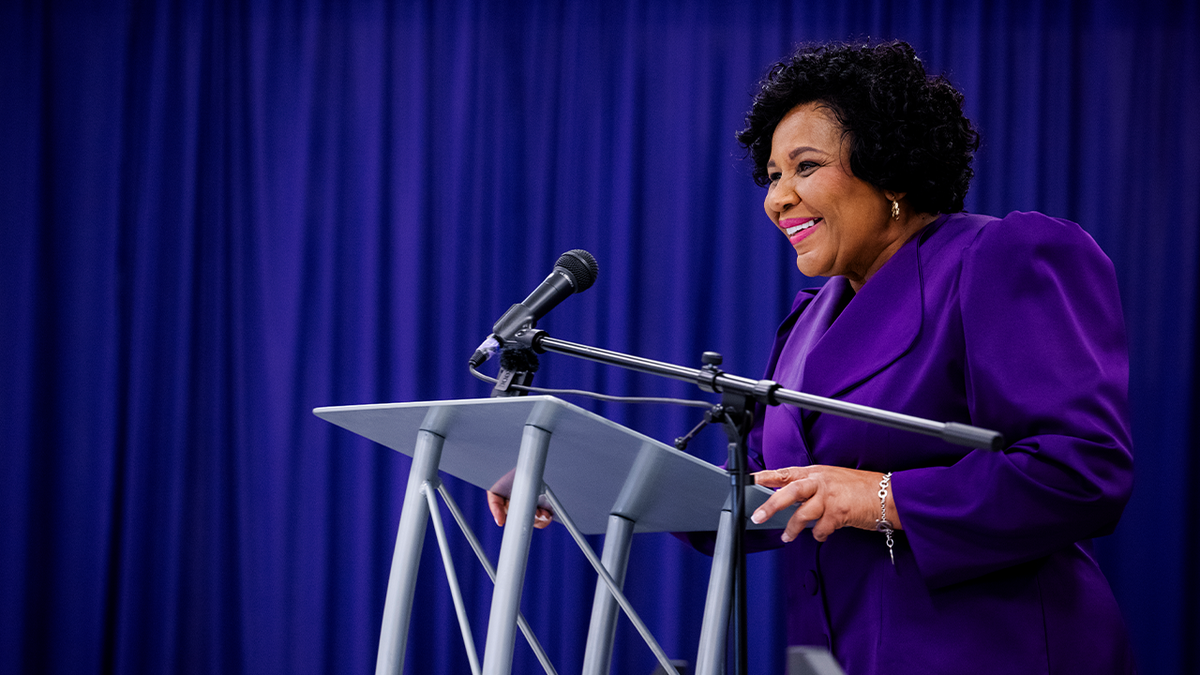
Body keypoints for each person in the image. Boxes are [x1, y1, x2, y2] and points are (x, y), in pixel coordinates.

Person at [734, 41, 1136, 674]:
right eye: (773, 175)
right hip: (842, 655)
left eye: (804, 167)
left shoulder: (1002, 257)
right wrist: (571, 479)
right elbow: (756, 492)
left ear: (887, 169)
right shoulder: (806, 322)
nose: (777, 198)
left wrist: (884, 499)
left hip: (993, 652)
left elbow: (1083, 470)